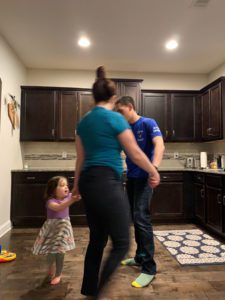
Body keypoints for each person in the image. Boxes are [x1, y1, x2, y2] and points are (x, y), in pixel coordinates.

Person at [72, 66, 160, 299]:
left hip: (89, 183)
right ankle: (99, 292)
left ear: (94, 96)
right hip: (108, 182)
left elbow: (80, 159)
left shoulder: (83, 122)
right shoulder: (115, 119)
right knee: (122, 242)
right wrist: (153, 171)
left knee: (97, 239)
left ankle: (89, 289)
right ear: (112, 98)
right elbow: (135, 154)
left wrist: (75, 185)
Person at [115, 96, 165, 288]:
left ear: (130, 107)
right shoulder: (125, 129)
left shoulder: (147, 122)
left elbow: (160, 144)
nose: (119, 116)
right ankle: (139, 257)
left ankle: (149, 268)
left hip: (146, 177)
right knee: (135, 218)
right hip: (132, 178)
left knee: (141, 217)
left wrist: (154, 167)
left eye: (121, 112)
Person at [32, 176, 79, 285]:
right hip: (52, 231)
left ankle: (58, 274)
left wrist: (79, 187)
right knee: (50, 253)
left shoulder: (69, 197)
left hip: (63, 230)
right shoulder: (50, 201)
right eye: (62, 185)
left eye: (67, 185)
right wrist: (71, 200)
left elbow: (78, 195)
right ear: (53, 190)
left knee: (60, 253)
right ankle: (51, 268)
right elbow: (59, 207)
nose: (66, 187)